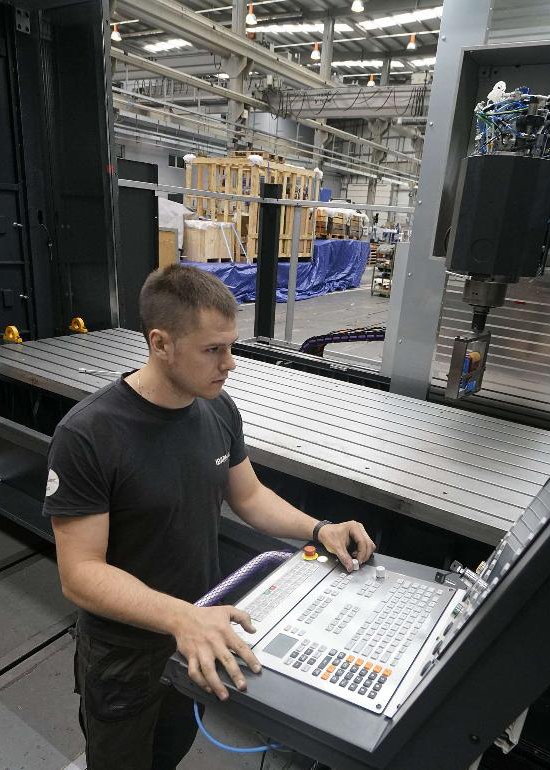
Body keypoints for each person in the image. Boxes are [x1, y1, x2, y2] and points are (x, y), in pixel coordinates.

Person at [46, 264, 376, 770]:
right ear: (161, 343)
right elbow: (80, 573)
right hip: (126, 655)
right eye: (212, 350)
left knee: (170, 752)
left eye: (231, 347)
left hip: (199, 635)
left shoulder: (218, 410)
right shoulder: (90, 435)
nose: (230, 364)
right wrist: (182, 618)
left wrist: (319, 528)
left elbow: (249, 497)